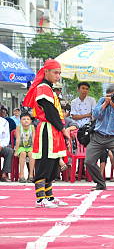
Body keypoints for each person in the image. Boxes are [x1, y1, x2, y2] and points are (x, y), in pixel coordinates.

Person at [23, 59, 71, 206]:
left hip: (53, 129)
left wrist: (60, 130)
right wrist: (63, 129)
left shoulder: (49, 88)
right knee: (44, 163)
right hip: (47, 129)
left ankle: (49, 197)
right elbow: (50, 112)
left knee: (53, 163)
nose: (58, 76)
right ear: (46, 72)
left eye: (59, 73)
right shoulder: (43, 87)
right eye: (55, 73)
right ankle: (40, 199)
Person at [86, 84, 114, 191]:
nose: (112, 98)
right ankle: (100, 183)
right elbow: (95, 115)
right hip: (98, 136)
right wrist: (105, 104)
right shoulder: (102, 101)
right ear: (106, 95)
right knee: (89, 161)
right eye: (110, 96)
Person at [14, 112, 35, 182]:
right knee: (22, 153)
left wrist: (35, 149)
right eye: (24, 119)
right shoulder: (18, 127)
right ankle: (21, 175)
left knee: (31, 154)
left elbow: (33, 139)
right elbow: (18, 139)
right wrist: (16, 151)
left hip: (30, 146)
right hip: (21, 146)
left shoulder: (32, 127)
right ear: (20, 121)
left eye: (28, 119)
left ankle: (31, 175)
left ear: (31, 121)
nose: (26, 120)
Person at [0, 114, 13, 181]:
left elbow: (6, 137)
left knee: (9, 151)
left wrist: (1, 145)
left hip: (1, 146)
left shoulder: (4, 122)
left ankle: (4, 174)